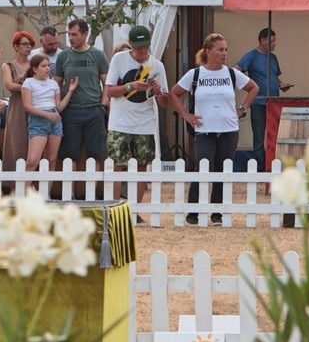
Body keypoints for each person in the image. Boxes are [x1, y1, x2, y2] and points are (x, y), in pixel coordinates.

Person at [172, 33, 256, 224]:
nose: (224, 53)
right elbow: (174, 94)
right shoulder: (195, 74)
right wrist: (186, 115)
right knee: (203, 167)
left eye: (226, 49)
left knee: (223, 170)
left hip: (228, 129)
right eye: (220, 50)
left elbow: (253, 88)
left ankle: (218, 212)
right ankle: (193, 212)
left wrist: (243, 108)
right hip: (204, 130)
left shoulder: (232, 74)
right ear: (208, 52)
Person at [103, 24, 183, 209]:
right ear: (130, 44)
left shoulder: (157, 65)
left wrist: (158, 91)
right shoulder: (119, 59)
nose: (142, 50)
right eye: (138, 47)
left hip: (145, 123)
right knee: (117, 166)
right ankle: (115, 208)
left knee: (142, 167)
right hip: (120, 123)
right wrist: (130, 86)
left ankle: (136, 208)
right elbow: (109, 91)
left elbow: (164, 103)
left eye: (145, 46)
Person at [54, 17, 109, 169]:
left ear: (85, 34)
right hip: (70, 111)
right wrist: (58, 106)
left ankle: (94, 192)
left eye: (74, 34)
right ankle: (70, 193)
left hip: (94, 109)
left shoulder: (98, 55)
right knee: (69, 154)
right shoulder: (63, 56)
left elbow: (107, 83)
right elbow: (56, 83)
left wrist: (103, 106)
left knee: (96, 153)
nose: (71, 38)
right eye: (69, 34)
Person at [235, 27, 289, 163]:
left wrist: (281, 84)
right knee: (259, 137)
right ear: (263, 41)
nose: (275, 44)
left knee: (276, 134)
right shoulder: (251, 56)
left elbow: (274, 76)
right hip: (259, 102)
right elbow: (236, 70)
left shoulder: (273, 57)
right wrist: (246, 85)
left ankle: (274, 163)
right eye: (272, 41)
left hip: (274, 102)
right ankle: (260, 167)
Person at [20, 49, 71, 174]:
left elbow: (58, 106)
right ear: (35, 69)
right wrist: (48, 115)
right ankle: (24, 191)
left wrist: (70, 91)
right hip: (38, 119)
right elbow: (27, 106)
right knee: (32, 160)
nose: (47, 68)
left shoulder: (53, 84)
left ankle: (45, 192)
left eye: (48, 65)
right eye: (43, 66)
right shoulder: (29, 82)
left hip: (55, 120)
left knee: (51, 160)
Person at [0, 30, 38, 168]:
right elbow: (9, 84)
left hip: (34, 104)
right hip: (17, 105)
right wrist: (29, 86)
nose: (28, 47)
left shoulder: (34, 64)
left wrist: (23, 84)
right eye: (25, 44)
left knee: (34, 141)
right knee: (16, 140)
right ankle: (13, 181)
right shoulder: (8, 65)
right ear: (16, 46)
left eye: (31, 45)